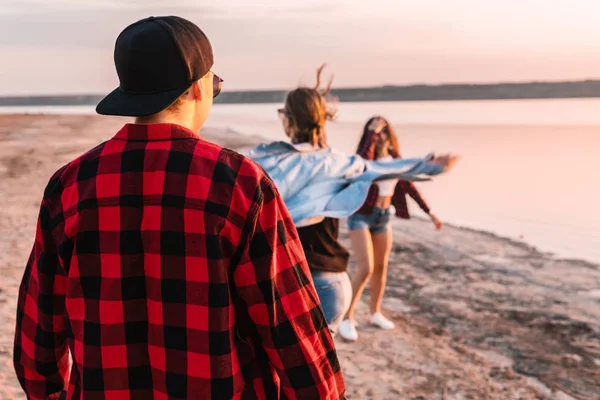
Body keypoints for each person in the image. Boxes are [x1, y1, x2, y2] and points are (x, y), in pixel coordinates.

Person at [13, 16, 346, 399]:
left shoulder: (69, 186)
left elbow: (37, 342)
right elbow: (293, 331)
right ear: (198, 88)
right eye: (215, 83)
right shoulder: (240, 184)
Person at [246, 69, 458, 335]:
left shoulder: (262, 162)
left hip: (287, 280)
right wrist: (428, 165)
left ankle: (367, 314)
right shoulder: (337, 162)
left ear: (288, 120)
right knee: (317, 371)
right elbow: (378, 168)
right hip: (330, 284)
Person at [338, 116, 444, 342]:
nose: (380, 137)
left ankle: (375, 312)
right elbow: (363, 161)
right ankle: (347, 318)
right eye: (376, 134)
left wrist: (429, 212)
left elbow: (409, 187)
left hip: (383, 218)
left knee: (381, 267)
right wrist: (371, 133)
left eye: (383, 133)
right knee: (365, 268)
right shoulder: (365, 163)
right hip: (362, 217)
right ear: (370, 137)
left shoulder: (396, 161)